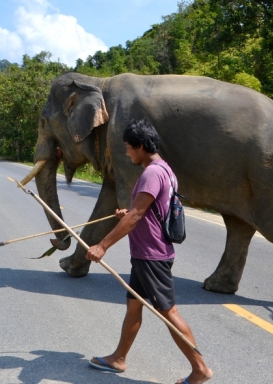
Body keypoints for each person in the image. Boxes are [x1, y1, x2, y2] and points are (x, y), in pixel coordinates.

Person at [86, 120, 213, 384]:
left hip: (151, 255)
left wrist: (102, 245)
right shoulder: (165, 169)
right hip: (146, 254)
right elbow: (146, 212)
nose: (127, 153)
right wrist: (129, 212)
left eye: (128, 148)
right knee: (133, 307)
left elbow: (137, 214)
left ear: (140, 146)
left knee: (169, 313)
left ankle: (200, 369)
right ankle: (118, 358)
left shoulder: (152, 173)